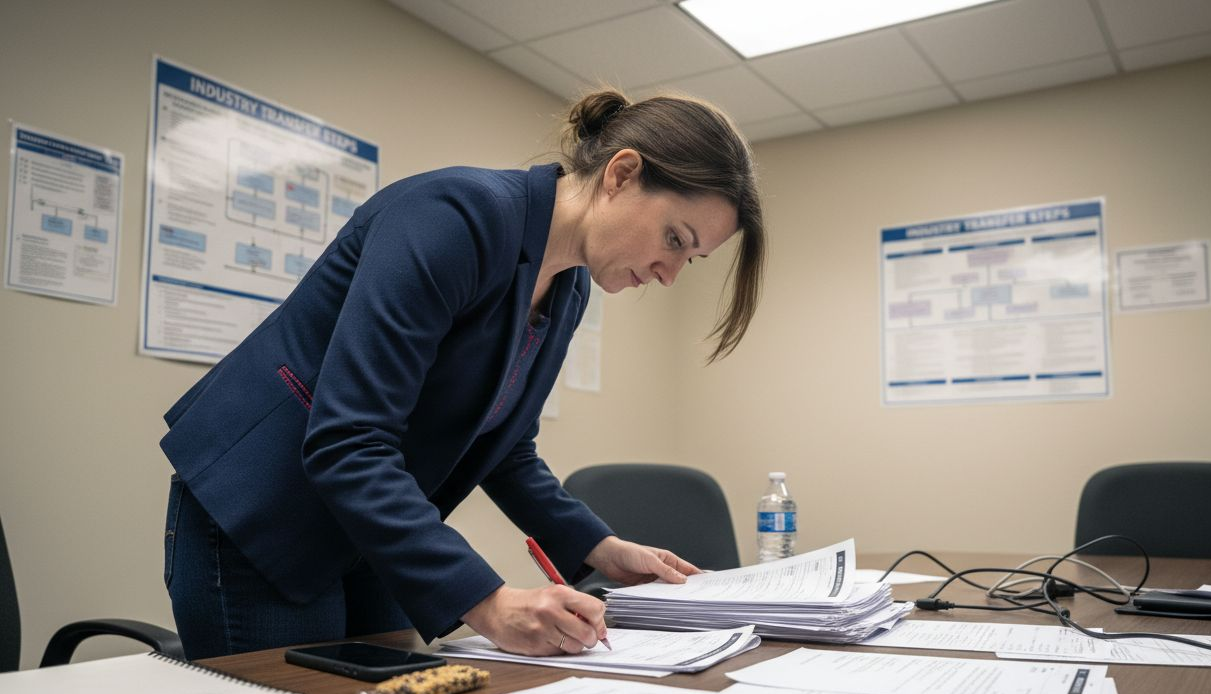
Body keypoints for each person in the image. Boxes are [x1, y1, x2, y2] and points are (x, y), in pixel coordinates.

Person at [159, 89, 766, 660]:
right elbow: (348, 439)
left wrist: (602, 549)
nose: (669, 275)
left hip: (370, 528)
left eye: (691, 259)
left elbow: (506, 450)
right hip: (264, 509)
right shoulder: (454, 218)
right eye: (674, 239)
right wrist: (490, 602)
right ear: (622, 174)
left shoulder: (569, 288)